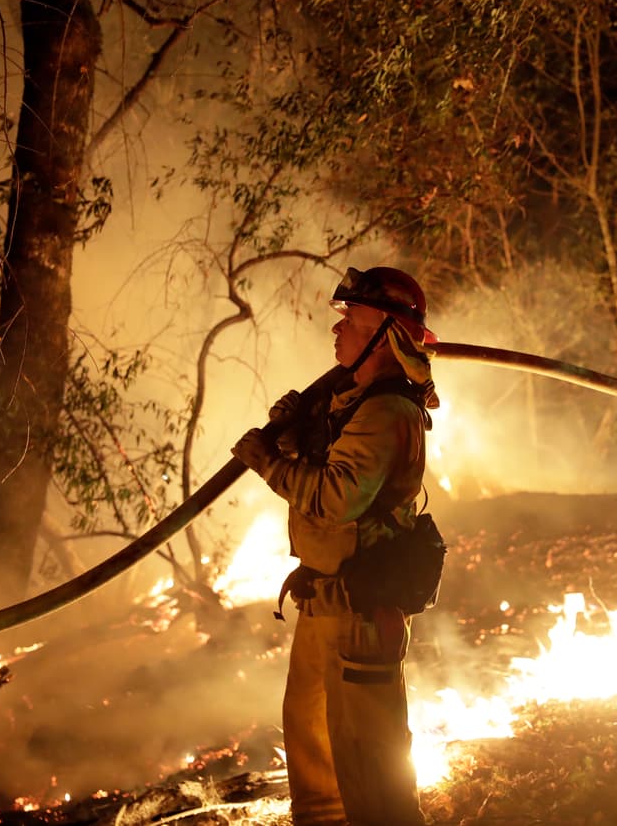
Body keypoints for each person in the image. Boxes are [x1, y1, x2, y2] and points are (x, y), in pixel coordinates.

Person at [231, 266, 440, 826]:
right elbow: (328, 465)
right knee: (315, 763)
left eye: (351, 318)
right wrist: (298, 435)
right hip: (323, 603)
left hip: (362, 615)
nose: (338, 329)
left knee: (372, 776)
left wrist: (268, 461)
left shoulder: (388, 412)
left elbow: (335, 498)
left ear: (386, 334)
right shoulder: (353, 403)